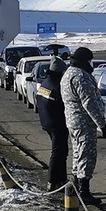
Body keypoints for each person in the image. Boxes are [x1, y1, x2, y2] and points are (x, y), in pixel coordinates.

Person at [61, 47, 106, 205]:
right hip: (83, 123)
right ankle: (84, 191)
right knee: (86, 155)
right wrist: (101, 124)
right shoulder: (81, 76)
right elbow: (89, 103)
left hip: (73, 121)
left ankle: (76, 186)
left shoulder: (67, 74)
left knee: (78, 154)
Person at [35, 56, 69, 192]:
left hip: (47, 122)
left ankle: (61, 180)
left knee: (61, 151)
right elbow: (63, 106)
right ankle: (53, 181)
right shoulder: (57, 87)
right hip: (57, 124)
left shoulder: (45, 83)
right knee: (58, 152)